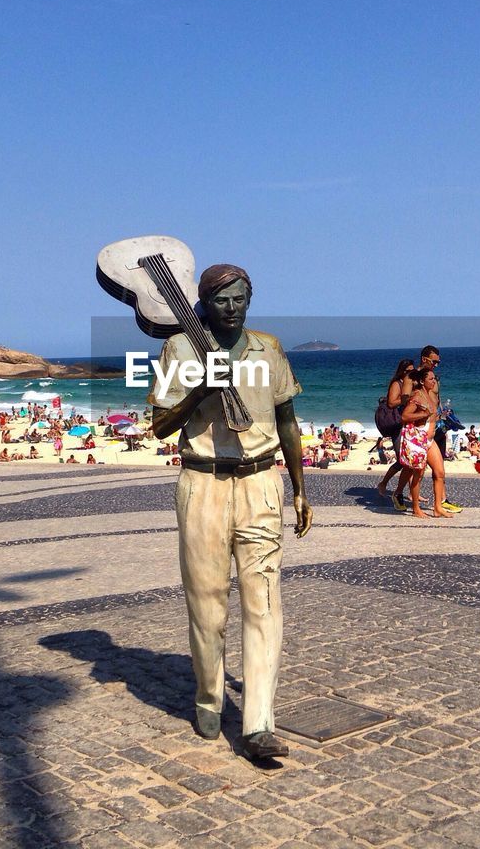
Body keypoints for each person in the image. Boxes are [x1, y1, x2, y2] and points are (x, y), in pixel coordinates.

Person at [149, 263, 310, 762]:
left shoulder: (269, 348)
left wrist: (300, 488)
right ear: (202, 304)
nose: (233, 308)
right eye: (222, 300)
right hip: (203, 484)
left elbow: (287, 420)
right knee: (208, 604)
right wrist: (202, 386)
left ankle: (259, 722)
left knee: (264, 602)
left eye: (241, 298)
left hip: (261, 482)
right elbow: (159, 423)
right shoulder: (179, 349)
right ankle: (208, 696)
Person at [399, 367, 450, 519]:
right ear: (422, 381)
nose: (434, 381)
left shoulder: (431, 395)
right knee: (418, 474)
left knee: (439, 472)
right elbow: (405, 416)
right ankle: (416, 508)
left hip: (430, 439)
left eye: (435, 379)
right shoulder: (417, 396)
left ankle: (437, 507)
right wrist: (423, 413)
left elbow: (433, 416)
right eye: (431, 379)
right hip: (418, 439)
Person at [374, 358, 415, 507]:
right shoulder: (397, 384)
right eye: (409, 371)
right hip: (397, 424)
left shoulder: (409, 384)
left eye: (413, 370)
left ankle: (411, 492)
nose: (411, 373)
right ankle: (384, 484)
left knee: (409, 460)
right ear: (403, 371)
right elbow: (391, 403)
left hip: (407, 424)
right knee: (402, 461)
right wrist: (405, 399)